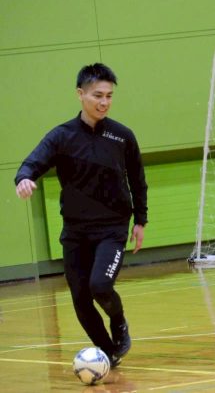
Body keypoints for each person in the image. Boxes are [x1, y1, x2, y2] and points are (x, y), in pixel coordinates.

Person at [14, 63, 147, 367]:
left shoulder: (122, 136)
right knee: (80, 298)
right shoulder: (62, 136)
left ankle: (119, 321)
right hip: (75, 232)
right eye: (97, 95)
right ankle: (108, 354)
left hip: (112, 228)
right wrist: (24, 178)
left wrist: (140, 220)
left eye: (109, 96)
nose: (104, 102)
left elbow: (138, 180)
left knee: (99, 286)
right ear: (80, 94)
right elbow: (32, 163)